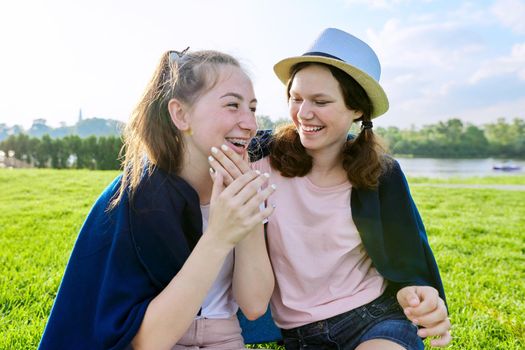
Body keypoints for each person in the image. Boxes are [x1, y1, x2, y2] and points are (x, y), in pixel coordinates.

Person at [210, 28, 451, 349]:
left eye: (321, 101)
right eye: (296, 98)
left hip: (377, 320)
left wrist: (418, 293)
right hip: (302, 337)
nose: (304, 113)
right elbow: (197, 143)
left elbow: (409, 259)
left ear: (358, 109)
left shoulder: (382, 172)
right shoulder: (257, 159)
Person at [38, 49, 276, 350]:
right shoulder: (136, 196)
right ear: (180, 114)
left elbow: (254, 305)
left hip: (224, 337)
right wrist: (218, 236)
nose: (250, 123)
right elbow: (150, 341)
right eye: (233, 105)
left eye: (252, 108)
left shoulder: (243, 186)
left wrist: (247, 217)